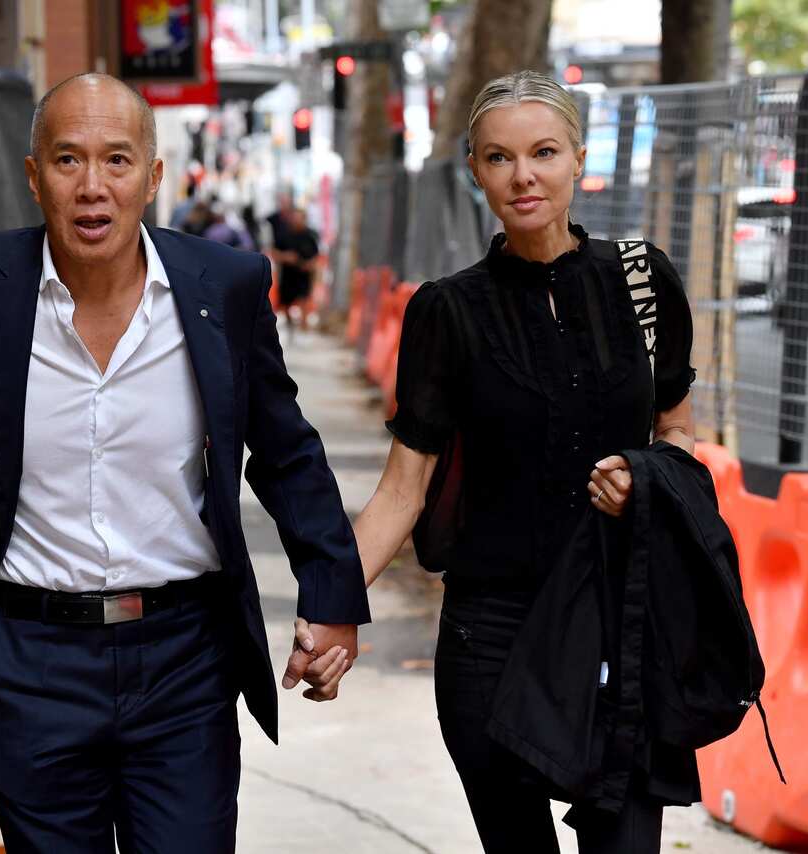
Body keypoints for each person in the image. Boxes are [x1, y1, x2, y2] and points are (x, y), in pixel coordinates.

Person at [0, 72, 369, 853]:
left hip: (183, 657)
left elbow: (288, 449)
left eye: (118, 161)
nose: (93, 187)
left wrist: (331, 594)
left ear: (153, 177)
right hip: (29, 657)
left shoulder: (222, 288)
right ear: (34, 178)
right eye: (68, 161)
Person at [299, 71, 698, 852]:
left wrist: (645, 477)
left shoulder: (643, 282)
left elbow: (679, 433)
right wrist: (328, 609)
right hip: (493, 634)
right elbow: (402, 491)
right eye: (499, 158)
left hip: (619, 620)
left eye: (544, 152)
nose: (524, 176)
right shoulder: (446, 311)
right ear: (476, 171)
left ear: (578, 159)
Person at [272, 207, 320, 331]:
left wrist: (310, 264)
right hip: (288, 274)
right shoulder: (283, 235)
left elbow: (316, 255)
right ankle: (290, 324)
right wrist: (285, 257)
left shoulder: (310, 235)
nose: (296, 221)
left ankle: (304, 327)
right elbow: (274, 252)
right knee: (286, 301)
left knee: (304, 298)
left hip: (304, 273)